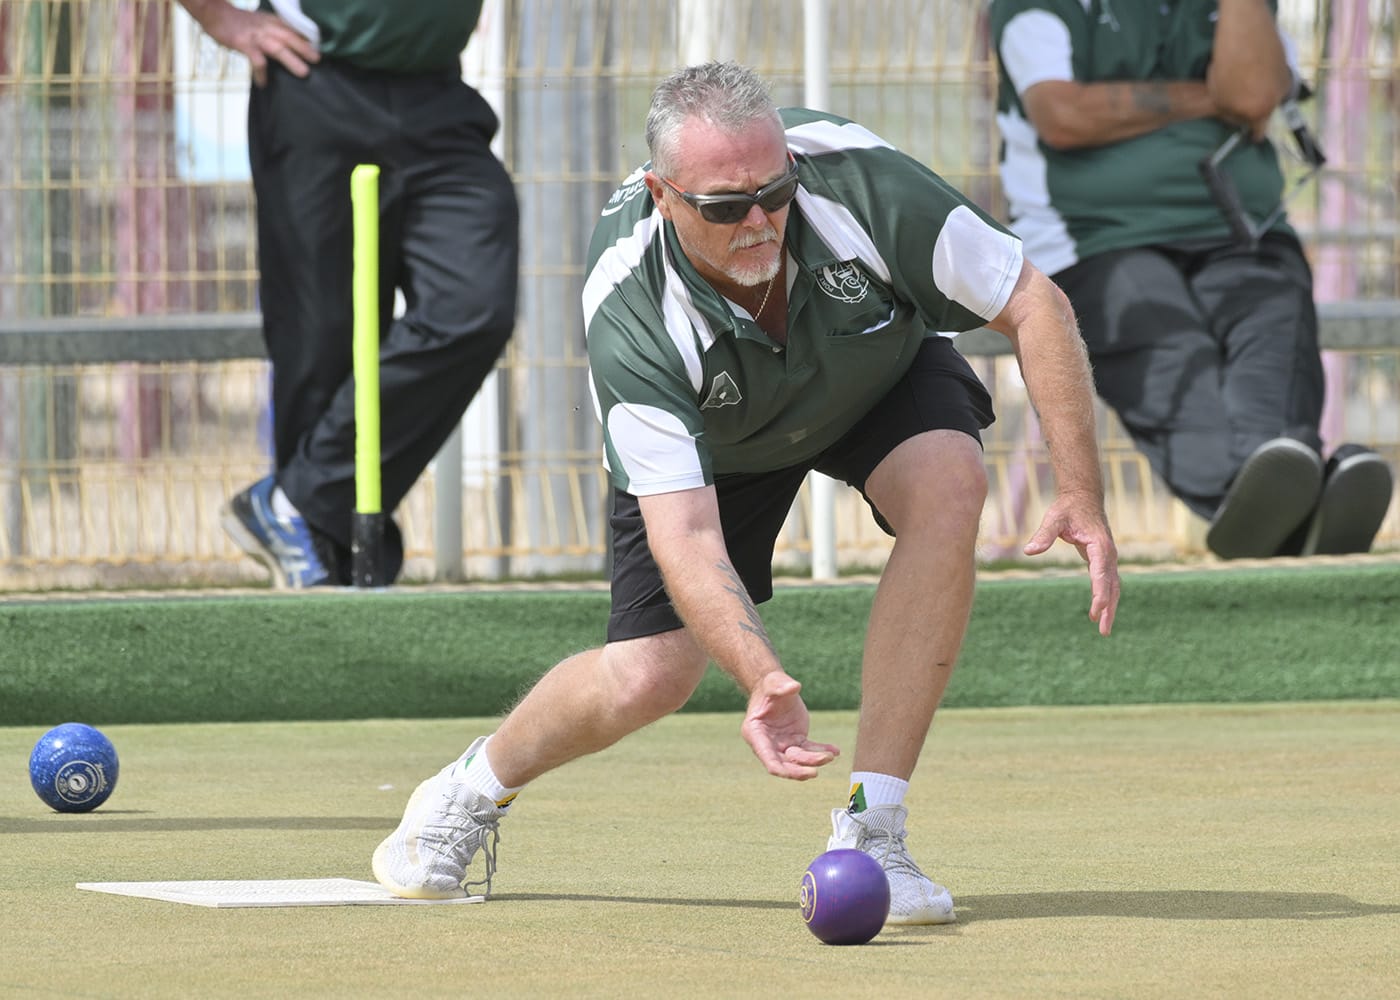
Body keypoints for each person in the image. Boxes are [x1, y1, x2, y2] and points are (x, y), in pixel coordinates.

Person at [371, 61, 1120, 927]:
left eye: (776, 192)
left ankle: (875, 830)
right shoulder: (630, 306)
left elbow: (1036, 302)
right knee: (651, 675)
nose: (761, 220)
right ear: (663, 195)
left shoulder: (860, 183)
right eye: (727, 207)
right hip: (718, 440)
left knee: (951, 479)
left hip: (867, 370)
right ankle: (470, 788)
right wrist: (762, 676)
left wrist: (1082, 496)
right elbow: (686, 537)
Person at [988, 0, 1393, 560]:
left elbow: (1250, 96)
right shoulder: (1037, 7)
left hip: (1245, 231)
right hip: (1096, 240)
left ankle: (1273, 511)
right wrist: (1207, 97)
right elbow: (1063, 115)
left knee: (1274, 336)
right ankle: (1299, 520)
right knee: (1171, 356)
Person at [175, 0, 519, 586]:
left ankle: (292, 505)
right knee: (320, 345)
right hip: (315, 85)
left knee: (474, 309)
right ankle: (330, 569)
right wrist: (219, 17)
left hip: (439, 95)